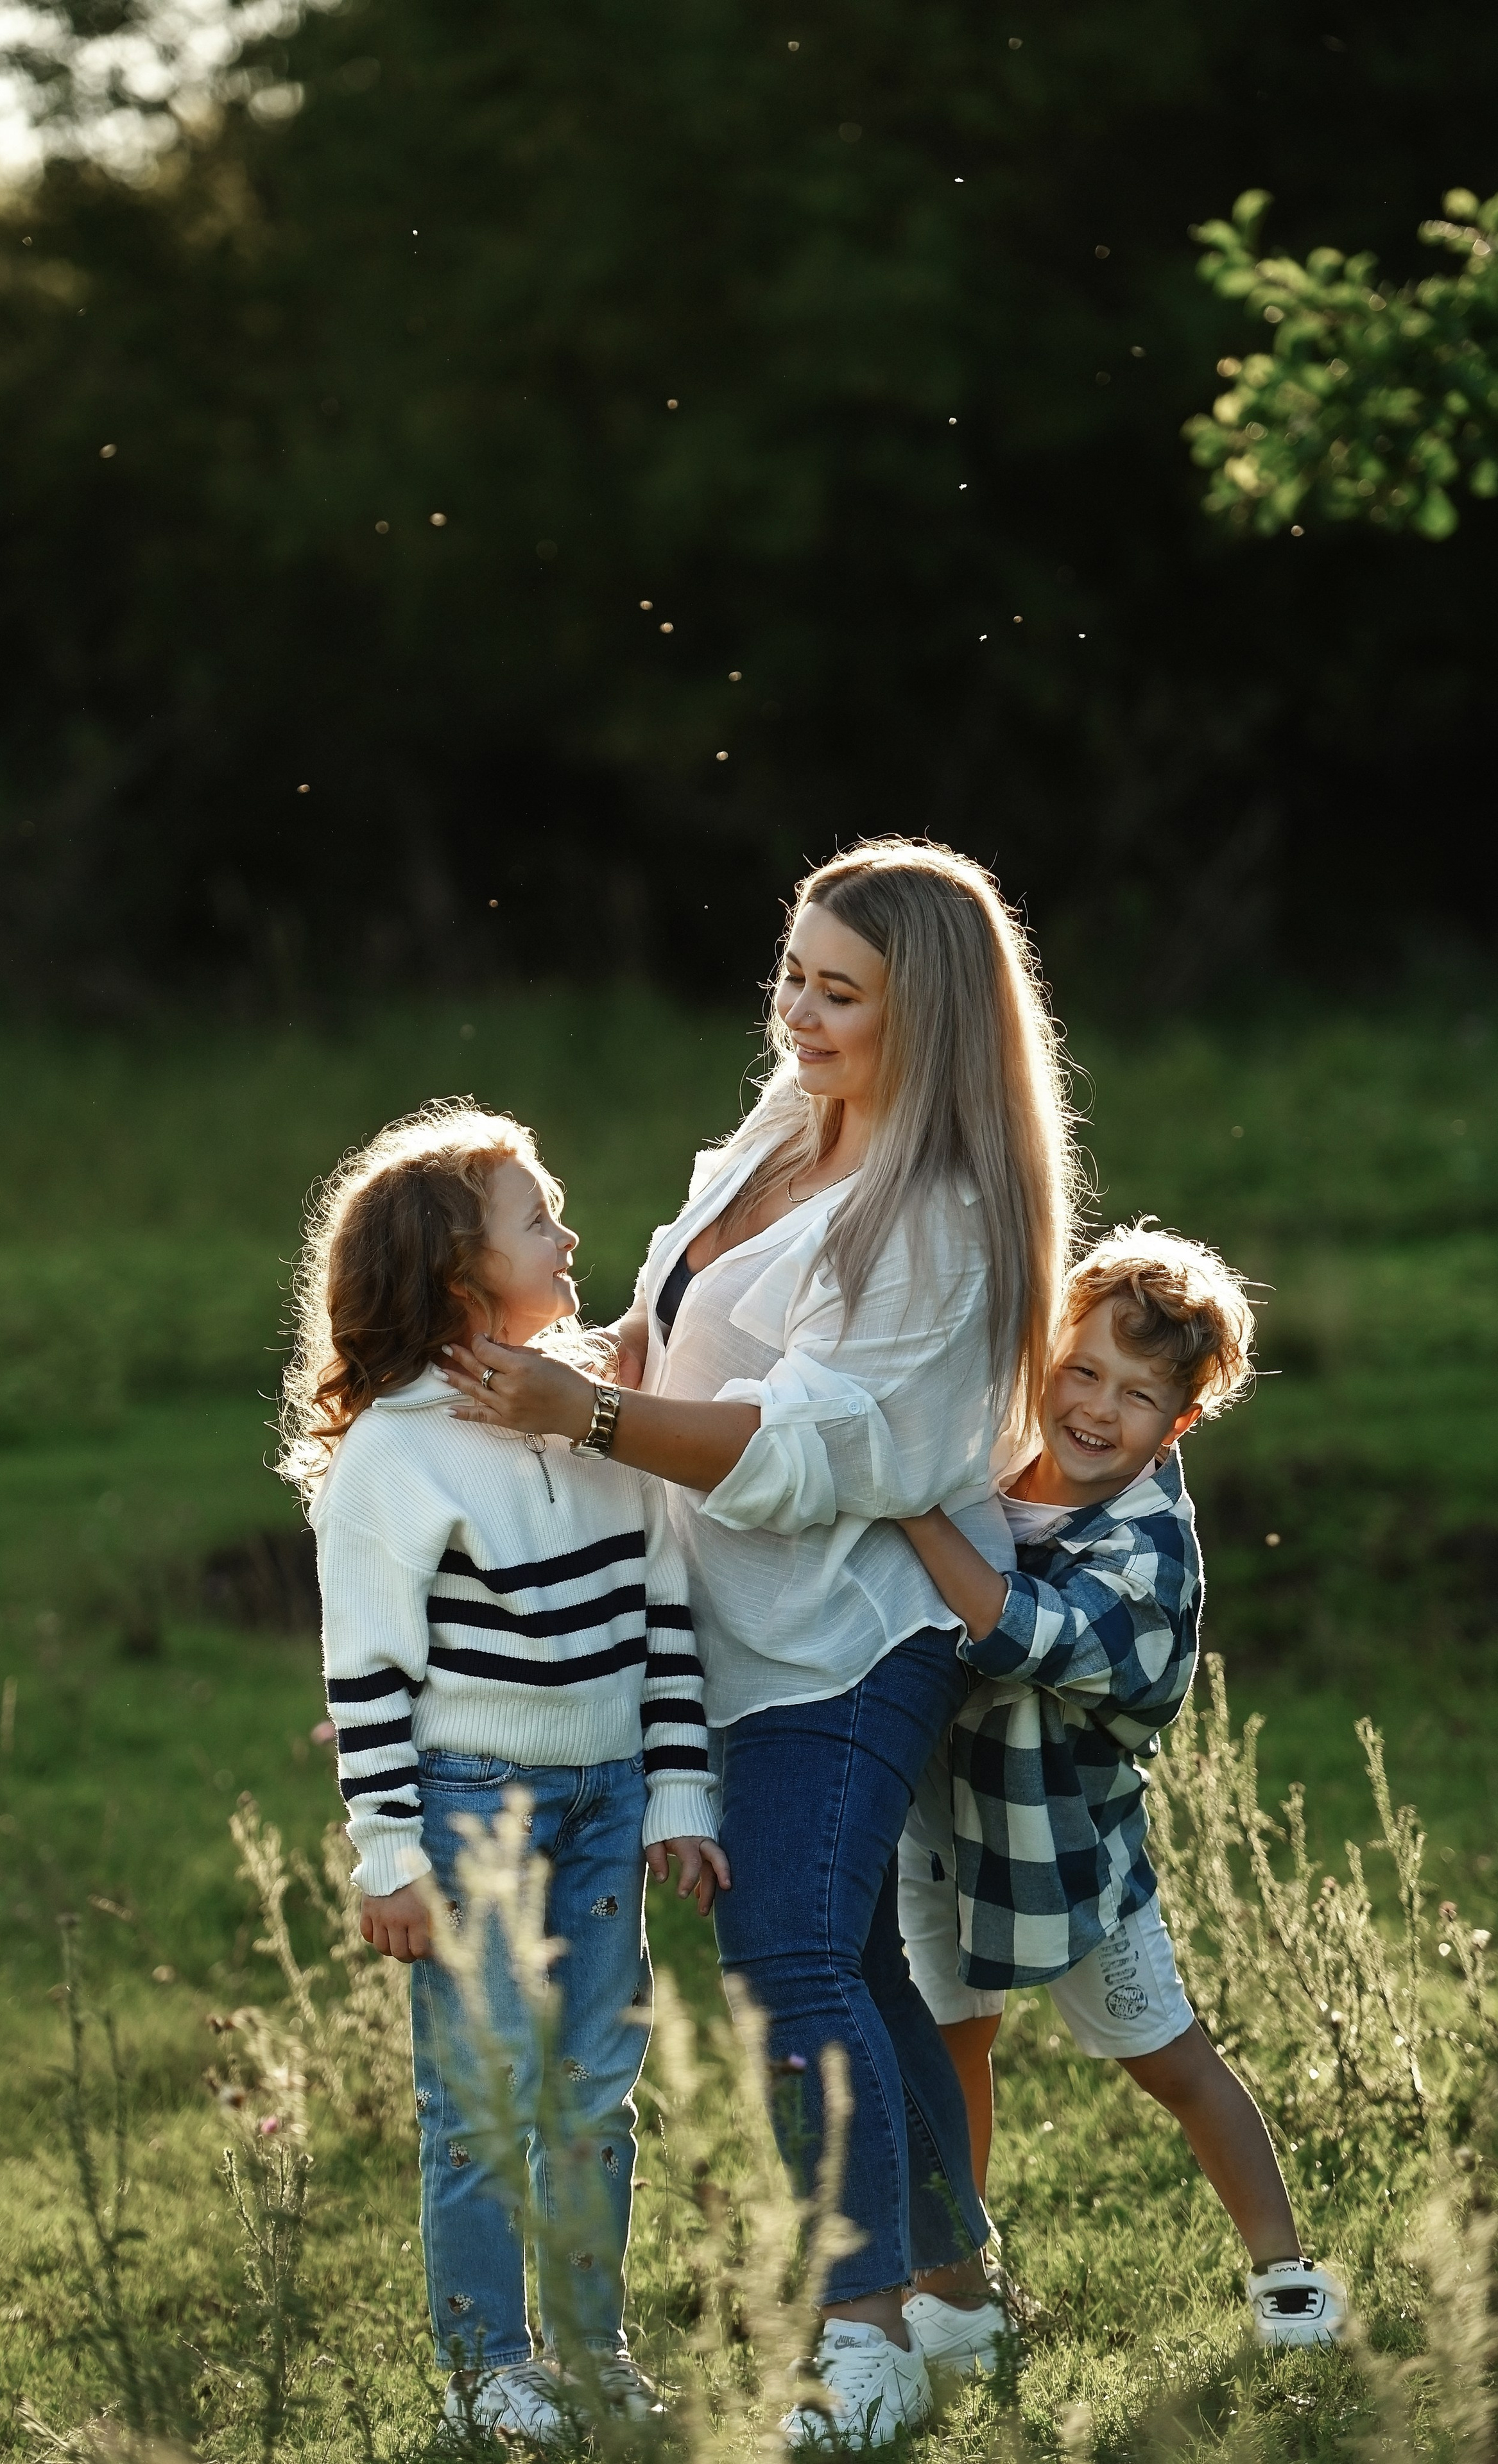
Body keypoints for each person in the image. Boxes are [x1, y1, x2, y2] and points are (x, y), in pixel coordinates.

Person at [441, 838, 1078, 2444]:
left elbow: (808, 1458)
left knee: (786, 1956)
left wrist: (585, 1410)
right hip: (718, 1630)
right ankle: (948, 2301)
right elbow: (667, 1327)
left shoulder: (931, 1212)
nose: (794, 1011)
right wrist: (535, 1384)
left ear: (922, 1015)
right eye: (789, 973)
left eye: (836, 991)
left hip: (844, 1644)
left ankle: (852, 2334)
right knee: (852, 1954)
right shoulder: (785, 1129)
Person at [277, 1101, 727, 2448]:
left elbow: (664, 1615)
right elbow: (364, 1671)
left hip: (603, 1807)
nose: (568, 1232)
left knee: (594, 2088)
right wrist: (389, 1854)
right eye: (540, 1218)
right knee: (475, 2099)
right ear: (460, 1273)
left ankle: (591, 2352)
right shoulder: (395, 1456)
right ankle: (489, 2368)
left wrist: (680, 1792)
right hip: (469, 1808)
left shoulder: (596, 1417)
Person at [894, 1226, 1350, 2349]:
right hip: (938, 1827)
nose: (1098, 1409)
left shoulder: (1149, 1551)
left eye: (1139, 1396)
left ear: (1179, 1425)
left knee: (1169, 2057)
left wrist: (904, 1507)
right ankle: (960, 2286)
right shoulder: (990, 1456)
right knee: (951, 2048)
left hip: (1066, 1853)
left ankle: (1284, 2274)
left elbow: (1017, 1632)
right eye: (1082, 1371)